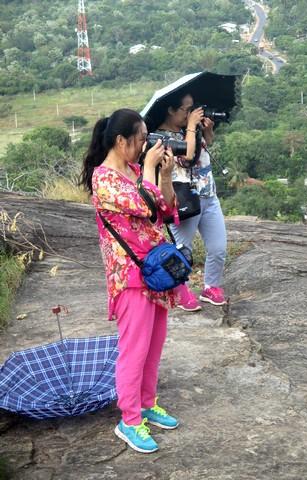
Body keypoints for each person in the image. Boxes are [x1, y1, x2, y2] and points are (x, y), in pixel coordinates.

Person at [80, 109, 179, 454]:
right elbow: (141, 204)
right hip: (130, 276)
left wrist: (164, 175)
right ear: (121, 141)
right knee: (134, 351)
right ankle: (130, 419)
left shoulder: (136, 170)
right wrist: (151, 170)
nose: (143, 147)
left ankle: (148, 403)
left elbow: (165, 209)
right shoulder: (103, 179)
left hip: (158, 272)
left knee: (154, 345)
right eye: (140, 140)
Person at [155, 93, 227, 311]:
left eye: (192, 109)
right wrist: (192, 126)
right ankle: (181, 290)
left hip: (208, 194)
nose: (190, 113)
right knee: (181, 250)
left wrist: (206, 131)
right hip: (183, 199)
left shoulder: (191, 129)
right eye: (186, 110)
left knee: (218, 248)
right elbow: (185, 158)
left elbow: (204, 148)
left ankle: (211, 286)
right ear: (171, 110)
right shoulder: (160, 136)